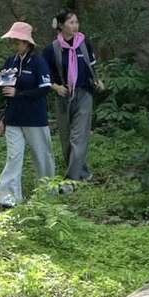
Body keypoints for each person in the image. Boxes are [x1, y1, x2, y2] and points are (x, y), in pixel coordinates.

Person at [0, 21, 54, 208]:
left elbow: (45, 88)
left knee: (42, 156)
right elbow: (4, 91)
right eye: (13, 41)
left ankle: (48, 193)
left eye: (17, 41)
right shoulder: (10, 61)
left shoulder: (38, 61)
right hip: (13, 119)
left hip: (35, 119)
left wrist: (19, 93)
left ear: (27, 43)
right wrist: (2, 117)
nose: (14, 45)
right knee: (13, 157)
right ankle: (8, 199)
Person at [45, 10, 98, 183]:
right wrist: (56, 87)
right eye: (71, 23)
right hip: (64, 95)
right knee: (66, 138)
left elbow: (91, 67)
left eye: (76, 22)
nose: (75, 26)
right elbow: (44, 75)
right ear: (61, 25)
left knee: (79, 136)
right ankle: (82, 173)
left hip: (84, 93)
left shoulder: (84, 43)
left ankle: (71, 179)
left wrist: (97, 80)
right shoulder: (52, 49)